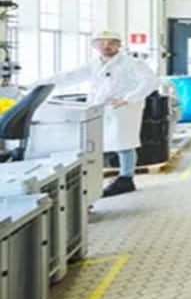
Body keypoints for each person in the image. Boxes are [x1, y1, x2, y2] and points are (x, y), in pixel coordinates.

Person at [45, 30, 159, 196]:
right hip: (99, 108)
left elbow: (151, 81)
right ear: (95, 46)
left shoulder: (131, 63)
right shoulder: (93, 64)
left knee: (124, 144)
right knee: (98, 143)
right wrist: (38, 85)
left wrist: (128, 98)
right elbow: (69, 77)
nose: (106, 46)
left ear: (119, 45)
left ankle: (126, 178)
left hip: (122, 109)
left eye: (111, 43)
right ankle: (97, 178)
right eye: (101, 43)